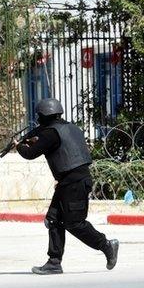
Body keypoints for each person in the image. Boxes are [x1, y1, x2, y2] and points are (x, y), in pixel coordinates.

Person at [15, 98, 119, 275]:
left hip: (74, 183)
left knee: (74, 223)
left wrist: (19, 146)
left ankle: (106, 245)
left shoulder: (50, 133)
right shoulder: (70, 127)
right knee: (53, 219)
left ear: (43, 116)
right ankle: (54, 262)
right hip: (70, 181)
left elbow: (31, 153)